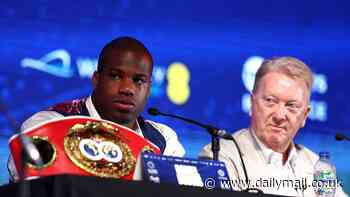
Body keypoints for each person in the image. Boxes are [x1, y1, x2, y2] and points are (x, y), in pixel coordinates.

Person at [9, 36, 185, 180]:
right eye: (115, 76)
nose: (128, 89)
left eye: (139, 81)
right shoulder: (49, 124)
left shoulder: (164, 141)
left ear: (149, 88)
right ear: (96, 79)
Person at [199, 56, 348, 197]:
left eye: (291, 106)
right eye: (270, 101)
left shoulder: (318, 165)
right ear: (252, 103)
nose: (279, 115)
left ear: (305, 115)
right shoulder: (220, 157)